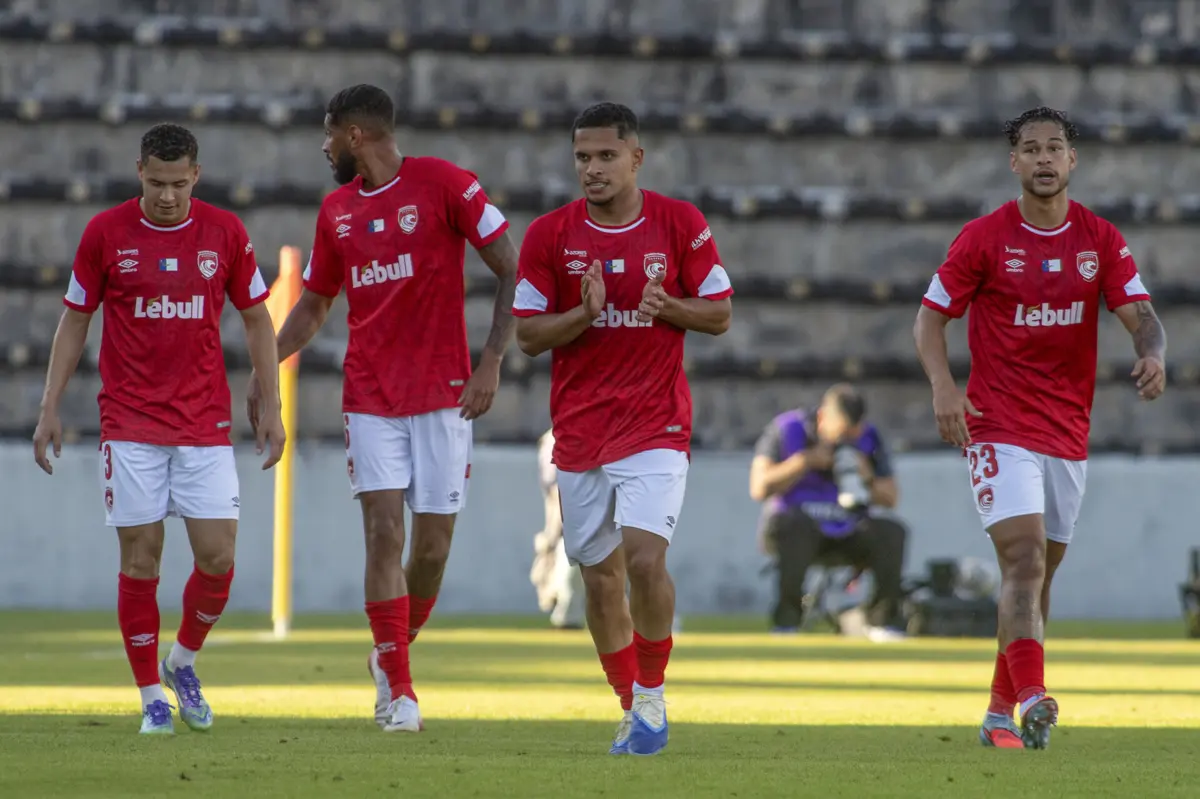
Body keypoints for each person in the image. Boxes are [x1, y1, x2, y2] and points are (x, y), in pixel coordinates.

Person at [247, 84, 518, 733]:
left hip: (446, 394)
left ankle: (389, 650)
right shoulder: (336, 211)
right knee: (383, 533)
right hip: (369, 396)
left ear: (356, 135)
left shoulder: (447, 185)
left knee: (430, 547)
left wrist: (491, 361)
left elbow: (513, 267)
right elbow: (314, 305)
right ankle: (400, 690)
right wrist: (264, 375)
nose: (324, 147)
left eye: (329, 134)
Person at [913, 107, 1167, 750]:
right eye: (1031, 149)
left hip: (1066, 430)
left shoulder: (1100, 239)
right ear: (1015, 163)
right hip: (997, 423)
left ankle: (1000, 711)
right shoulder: (984, 238)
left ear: (1072, 161)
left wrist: (1153, 352)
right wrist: (946, 387)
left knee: (1036, 577)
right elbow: (930, 318)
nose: (1045, 158)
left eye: (1055, 148)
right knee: (1023, 558)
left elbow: (1141, 314)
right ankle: (1033, 694)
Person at [31, 123, 285, 735]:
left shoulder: (225, 233)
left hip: (203, 423)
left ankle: (182, 662)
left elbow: (257, 320)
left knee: (218, 559)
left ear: (196, 176)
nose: (168, 195)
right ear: (138, 172)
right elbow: (74, 322)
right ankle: (150, 693)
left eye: (178, 183)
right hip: (130, 423)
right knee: (141, 561)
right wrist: (49, 407)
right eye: (156, 182)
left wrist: (272, 406)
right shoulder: (105, 234)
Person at [513, 102, 734, 756]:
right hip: (581, 433)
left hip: (656, 423)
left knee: (643, 559)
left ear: (636, 158)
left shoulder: (679, 223)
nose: (593, 168)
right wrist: (581, 315)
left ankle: (653, 692)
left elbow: (719, 313)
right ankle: (630, 703)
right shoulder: (551, 235)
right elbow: (526, 335)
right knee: (598, 579)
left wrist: (672, 307)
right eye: (583, 157)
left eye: (607, 156)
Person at [749, 384, 907, 640]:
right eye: (842, 434)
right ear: (823, 418)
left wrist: (866, 476)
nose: (847, 442)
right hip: (797, 529)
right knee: (793, 526)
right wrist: (805, 461)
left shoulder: (869, 438)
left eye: (853, 436)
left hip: (847, 529)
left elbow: (891, 498)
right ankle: (787, 622)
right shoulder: (788, 429)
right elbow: (758, 487)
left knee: (891, 531)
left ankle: (882, 621)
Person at [530, 428, 586, 629]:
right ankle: (567, 618)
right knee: (569, 570)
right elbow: (556, 490)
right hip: (571, 522)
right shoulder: (553, 440)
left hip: (601, 519)